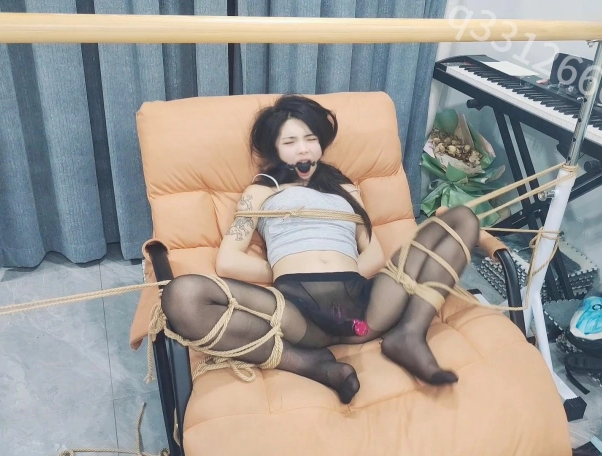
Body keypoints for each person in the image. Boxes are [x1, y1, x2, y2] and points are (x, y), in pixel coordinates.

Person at [159, 94, 480, 404]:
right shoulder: (260, 191)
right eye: (290, 142)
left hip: (365, 308)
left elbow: (374, 254)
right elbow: (228, 261)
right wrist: (288, 267)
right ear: (275, 148)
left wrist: (344, 270)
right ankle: (309, 363)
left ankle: (410, 333)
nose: (303, 148)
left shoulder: (345, 188)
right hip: (298, 313)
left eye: (309, 139)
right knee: (182, 296)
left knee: (463, 220)